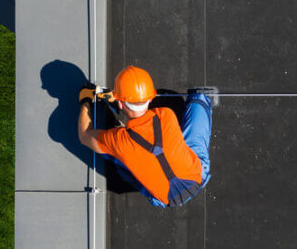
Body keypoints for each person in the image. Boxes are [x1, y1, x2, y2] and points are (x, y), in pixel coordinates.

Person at [77, 66, 212, 208]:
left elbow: (84, 135)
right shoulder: (166, 114)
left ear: (121, 104)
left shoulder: (117, 140)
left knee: (114, 153)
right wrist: (119, 99)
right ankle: (201, 99)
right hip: (197, 176)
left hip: (166, 200)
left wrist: (85, 102)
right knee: (198, 104)